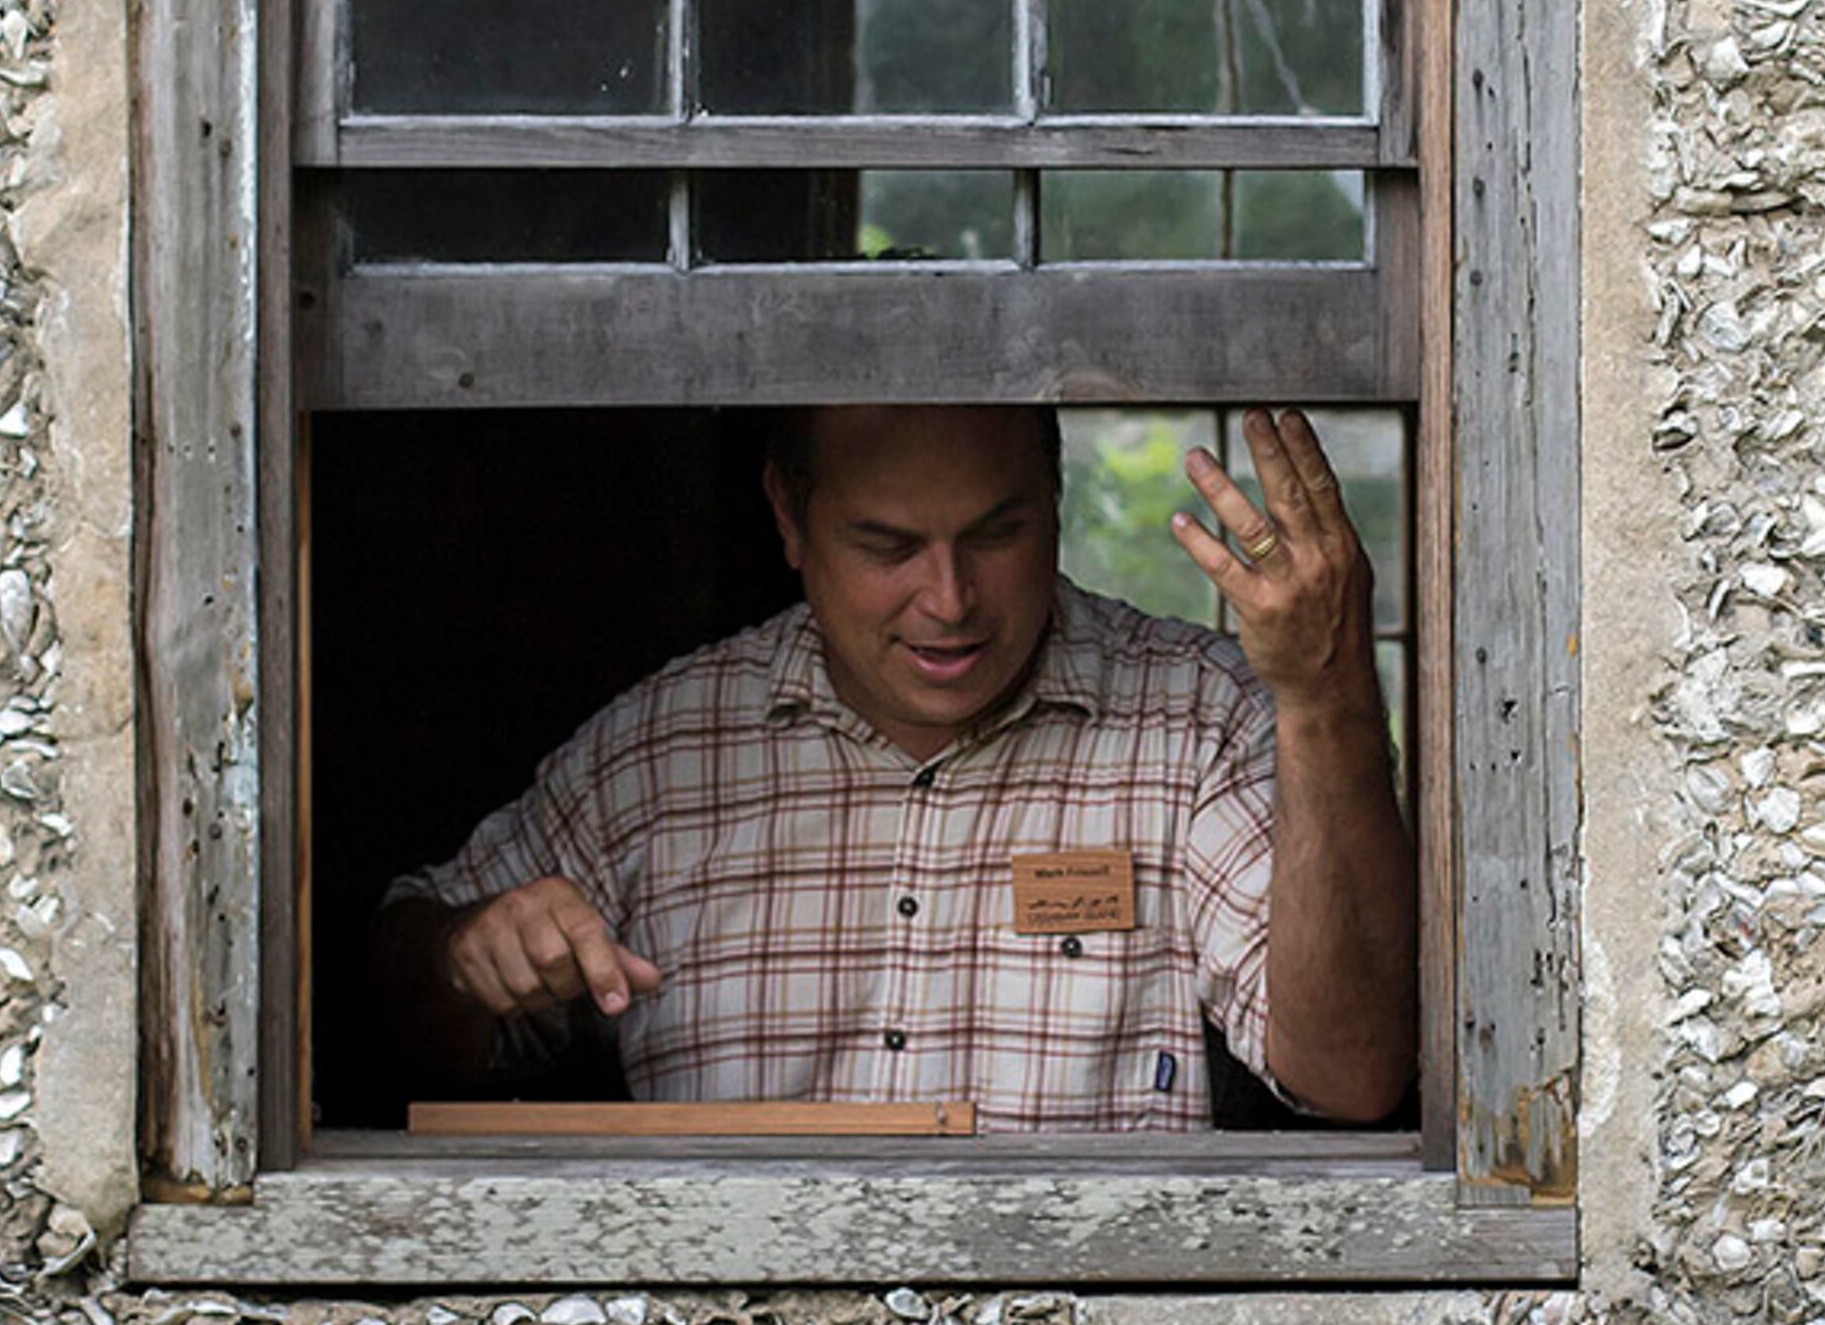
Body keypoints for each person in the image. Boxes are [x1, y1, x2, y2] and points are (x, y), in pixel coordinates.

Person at [367, 403, 1415, 1130]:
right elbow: (385, 1026)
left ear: (1055, 500)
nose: (950, 599)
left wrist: (1325, 696)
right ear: (788, 517)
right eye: (888, 547)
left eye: (996, 534)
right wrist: (464, 958)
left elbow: (1352, 1074)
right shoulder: (660, 750)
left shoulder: (1194, 717)